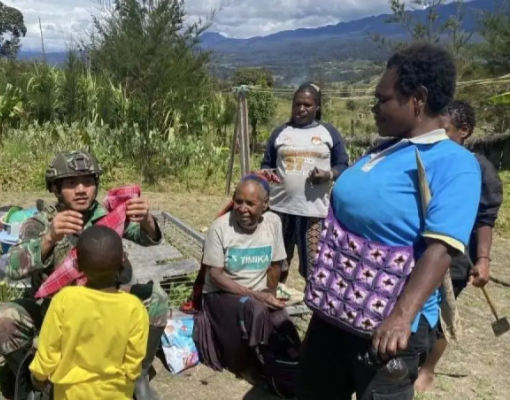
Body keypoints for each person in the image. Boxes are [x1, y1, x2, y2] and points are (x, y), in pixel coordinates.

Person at [296, 43, 481, 400]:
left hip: (388, 326)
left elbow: (441, 248)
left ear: (418, 99)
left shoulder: (453, 163)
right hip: (336, 309)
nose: (374, 107)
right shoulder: (384, 148)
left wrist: (401, 316)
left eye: (383, 100)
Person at [0, 150, 168, 400]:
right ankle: (36, 381)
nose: (82, 189)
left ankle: (137, 376)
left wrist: (147, 220)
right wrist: (50, 238)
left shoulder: (109, 214)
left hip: (108, 310)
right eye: (71, 183)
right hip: (57, 315)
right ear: (55, 188)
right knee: (4, 319)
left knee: (157, 299)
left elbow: (149, 238)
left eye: (88, 181)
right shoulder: (41, 223)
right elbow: (10, 267)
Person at [415, 100, 503, 392]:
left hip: (455, 254)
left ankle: (428, 368)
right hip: (420, 247)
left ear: (464, 131)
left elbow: (485, 219)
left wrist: (483, 259)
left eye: (444, 130)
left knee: (442, 310)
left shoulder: (479, 169)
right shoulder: (428, 158)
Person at [193, 175, 300, 392]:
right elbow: (216, 275)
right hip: (221, 294)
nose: (242, 208)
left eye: (250, 203)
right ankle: (245, 364)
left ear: (265, 204)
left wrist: (269, 293)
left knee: (281, 320)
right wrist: (257, 296)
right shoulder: (220, 228)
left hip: (257, 293)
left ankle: (285, 367)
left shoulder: (273, 223)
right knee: (255, 309)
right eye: (238, 201)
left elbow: (276, 264)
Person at [29, 226, 149, 400]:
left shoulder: (64, 300)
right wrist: (129, 376)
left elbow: (49, 349)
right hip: (116, 393)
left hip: (70, 394)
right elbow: (134, 358)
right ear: (123, 261)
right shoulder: (134, 308)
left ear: (77, 265)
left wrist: (39, 377)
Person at [260, 82, 349, 281]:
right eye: (297, 104)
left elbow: (343, 164)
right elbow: (266, 164)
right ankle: (272, 304)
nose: (301, 108)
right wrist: (267, 175)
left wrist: (328, 175)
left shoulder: (329, 133)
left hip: (314, 214)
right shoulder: (280, 132)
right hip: (279, 210)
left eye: (307, 105)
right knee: (275, 265)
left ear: (317, 107)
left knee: (315, 268)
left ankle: (313, 308)